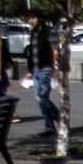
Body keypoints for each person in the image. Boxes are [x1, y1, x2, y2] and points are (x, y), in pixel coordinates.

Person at [25, 8, 60, 137]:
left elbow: (55, 50)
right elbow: (31, 53)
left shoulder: (50, 31)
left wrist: (55, 68)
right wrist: (30, 70)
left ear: (39, 18)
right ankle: (49, 128)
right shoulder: (33, 33)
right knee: (40, 99)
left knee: (43, 98)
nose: (30, 21)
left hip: (46, 69)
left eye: (32, 18)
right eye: (28, 18)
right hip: (35, 70)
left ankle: (60, 118)